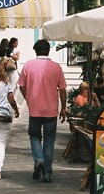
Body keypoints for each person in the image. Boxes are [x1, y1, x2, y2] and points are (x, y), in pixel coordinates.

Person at [18, 39, 68, 183]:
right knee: (49, 141)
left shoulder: (28, 65)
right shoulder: (56, 67)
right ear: (48, 50)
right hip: (51, 109)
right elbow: (63, 89)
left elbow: (21, 85)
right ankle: (47, 173)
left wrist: (28, 98)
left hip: (34, 109)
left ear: (35, 50)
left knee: (34, 136)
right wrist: (63, 107)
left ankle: (39, 159)